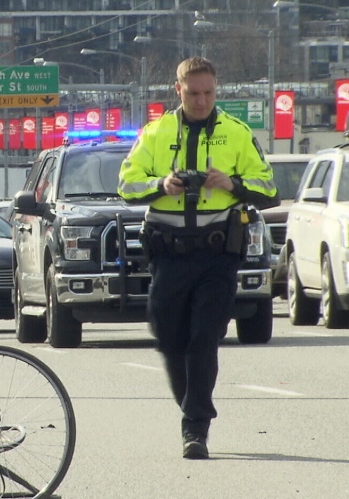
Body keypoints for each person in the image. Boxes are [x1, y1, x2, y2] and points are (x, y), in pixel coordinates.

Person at [117, 57, 279, 460]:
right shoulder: (155, 133)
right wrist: (161, 184)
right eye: (193, 94)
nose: (202, 101)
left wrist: (234, 183)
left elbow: (270, 190)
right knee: (170, 339)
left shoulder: (236, 133)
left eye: (208, 93)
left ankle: (195, 428)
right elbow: (126, 185)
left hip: (216, 256)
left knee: (204, 339)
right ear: (178, 90)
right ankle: (190, 403)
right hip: (169, 256)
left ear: (216, 88)